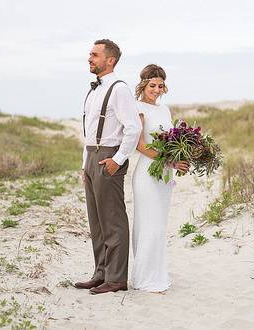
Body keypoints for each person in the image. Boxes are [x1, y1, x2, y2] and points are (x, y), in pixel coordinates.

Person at [74, 39, 140, 295]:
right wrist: (84, 166)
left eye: (94, 54)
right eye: (90, 53)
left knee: (113, 220)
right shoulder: (93, 90)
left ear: (109, 60)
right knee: (97, 222)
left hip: (109, 157)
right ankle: (100, 273)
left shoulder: (119, 89)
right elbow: (89, 132)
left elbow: (133, 128)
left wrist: (118, 159)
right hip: (91, 158)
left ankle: (116, 278)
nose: (89, 58)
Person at [130, 64, 188, 293]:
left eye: (160, 85)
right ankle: (144, 278)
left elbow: (171, 141)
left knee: (159, 224)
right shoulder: (136, 108)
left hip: (165, 175)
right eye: (152, 85)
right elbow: (139, 144)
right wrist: (167, 159)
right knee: (148, 223)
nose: (156, 89)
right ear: (143, 85)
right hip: (147, 172)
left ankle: (157, 274)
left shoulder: (165, 110)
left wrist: (179, 157)